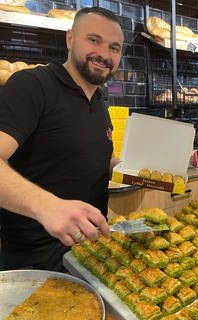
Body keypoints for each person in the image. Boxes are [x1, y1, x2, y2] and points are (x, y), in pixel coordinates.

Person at [0, 7, 124, 271]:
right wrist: (47, 205)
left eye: (114, 47)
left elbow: (95, 159)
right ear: (69, 39)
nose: (104, 54)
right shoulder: (32, 85)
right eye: (94, 40)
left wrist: (137, 171)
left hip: (90, 251)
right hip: (36, 262)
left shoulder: (100, 102)